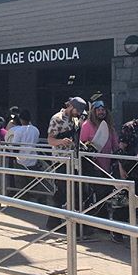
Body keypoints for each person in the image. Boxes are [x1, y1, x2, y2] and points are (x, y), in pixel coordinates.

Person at [46, 96, 86, 229]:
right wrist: (61, 142)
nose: (78, 113)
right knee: (62, 191)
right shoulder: (57, 118)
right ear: (71, 107)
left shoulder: (75, 119)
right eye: (77, 110)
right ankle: (54, 222)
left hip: (72, 159)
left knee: (72, 191)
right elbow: (50, 140)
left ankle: (65, 221)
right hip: (61, 160)